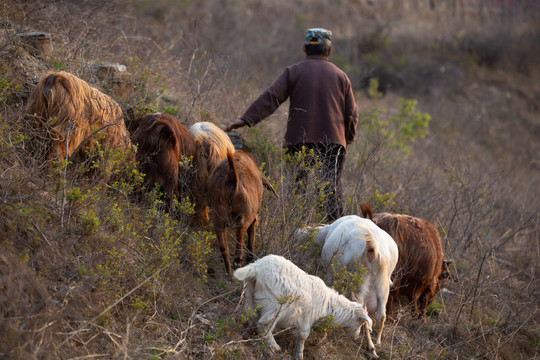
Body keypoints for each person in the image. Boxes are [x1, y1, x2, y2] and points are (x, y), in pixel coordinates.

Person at [225, 28, 358, 221]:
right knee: (331, 190)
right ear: (329, 52)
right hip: (333, 143)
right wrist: (349, 137)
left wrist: (245, 119)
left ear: (304, 48)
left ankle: (298, 230)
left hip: (299, 141)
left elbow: (271, 97)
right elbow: (352, 114)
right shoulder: (341, 76)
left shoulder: (293, 72)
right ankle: (336, 236)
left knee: (298, 188)